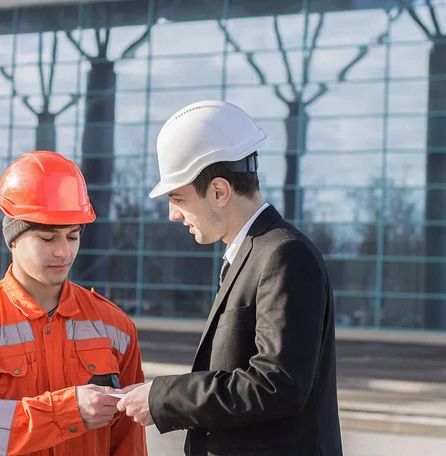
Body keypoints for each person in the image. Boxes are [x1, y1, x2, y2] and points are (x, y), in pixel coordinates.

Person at [117, 101, 343, 456]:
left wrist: (162, 396)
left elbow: (277, 384)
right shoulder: (253, 254)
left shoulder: (284, 255)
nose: (173, 215)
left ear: (220, 191)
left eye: (177, 198)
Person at [0, 151, 147, 456]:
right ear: (14, 238)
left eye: (73, 237)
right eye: (48, 239)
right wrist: (66, 412)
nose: (64, 252)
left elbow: (129, 444)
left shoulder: (116, 327)